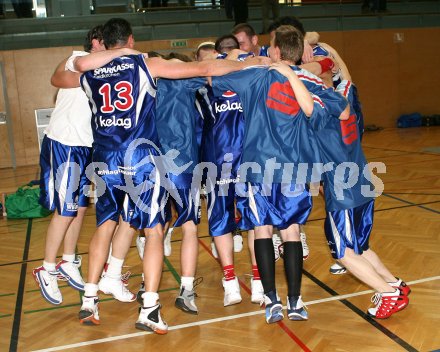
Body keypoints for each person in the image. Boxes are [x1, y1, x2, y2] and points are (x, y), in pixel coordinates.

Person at [55, 17, 269, 334]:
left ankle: (89, 299)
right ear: (130, 40)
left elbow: (58, 77)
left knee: (104, 227)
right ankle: (151, 308)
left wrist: (90, 58)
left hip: (102, 159)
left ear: (105, 43)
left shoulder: (88, 73)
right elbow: (204, 70)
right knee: (155, 231)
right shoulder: (146, 64)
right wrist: (250, 66)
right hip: (139, 157)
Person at [211, 25, 349, 323]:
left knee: (261, 230)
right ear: (298, 52)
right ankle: (296, 302)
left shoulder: (254, 75)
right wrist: (320, 67)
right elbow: (343, 110)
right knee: (291, 232)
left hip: (258, 167)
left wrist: (238, 59)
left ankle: (272, 301)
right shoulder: (307, 79)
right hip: (294, 168)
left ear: (273, 50)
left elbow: (213, 79)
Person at [279, 62, 410, 319]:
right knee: (360, 247)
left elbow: (306, 105)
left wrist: (286, 72)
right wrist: (329, 55)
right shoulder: (346, 96)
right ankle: (395, 284)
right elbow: (345, 75)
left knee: (343, 253)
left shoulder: (320, 110)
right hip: (362, 183)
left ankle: (387, 293)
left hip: (343, 192)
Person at [32, 25, 105, 306]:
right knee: (66, 209)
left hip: (86, 145)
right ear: (97, 43)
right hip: (64, 144)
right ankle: (47, 268)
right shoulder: (77, 58)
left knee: (80, 207)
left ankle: (67, 260)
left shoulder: (105, 67)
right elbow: (59, 78)